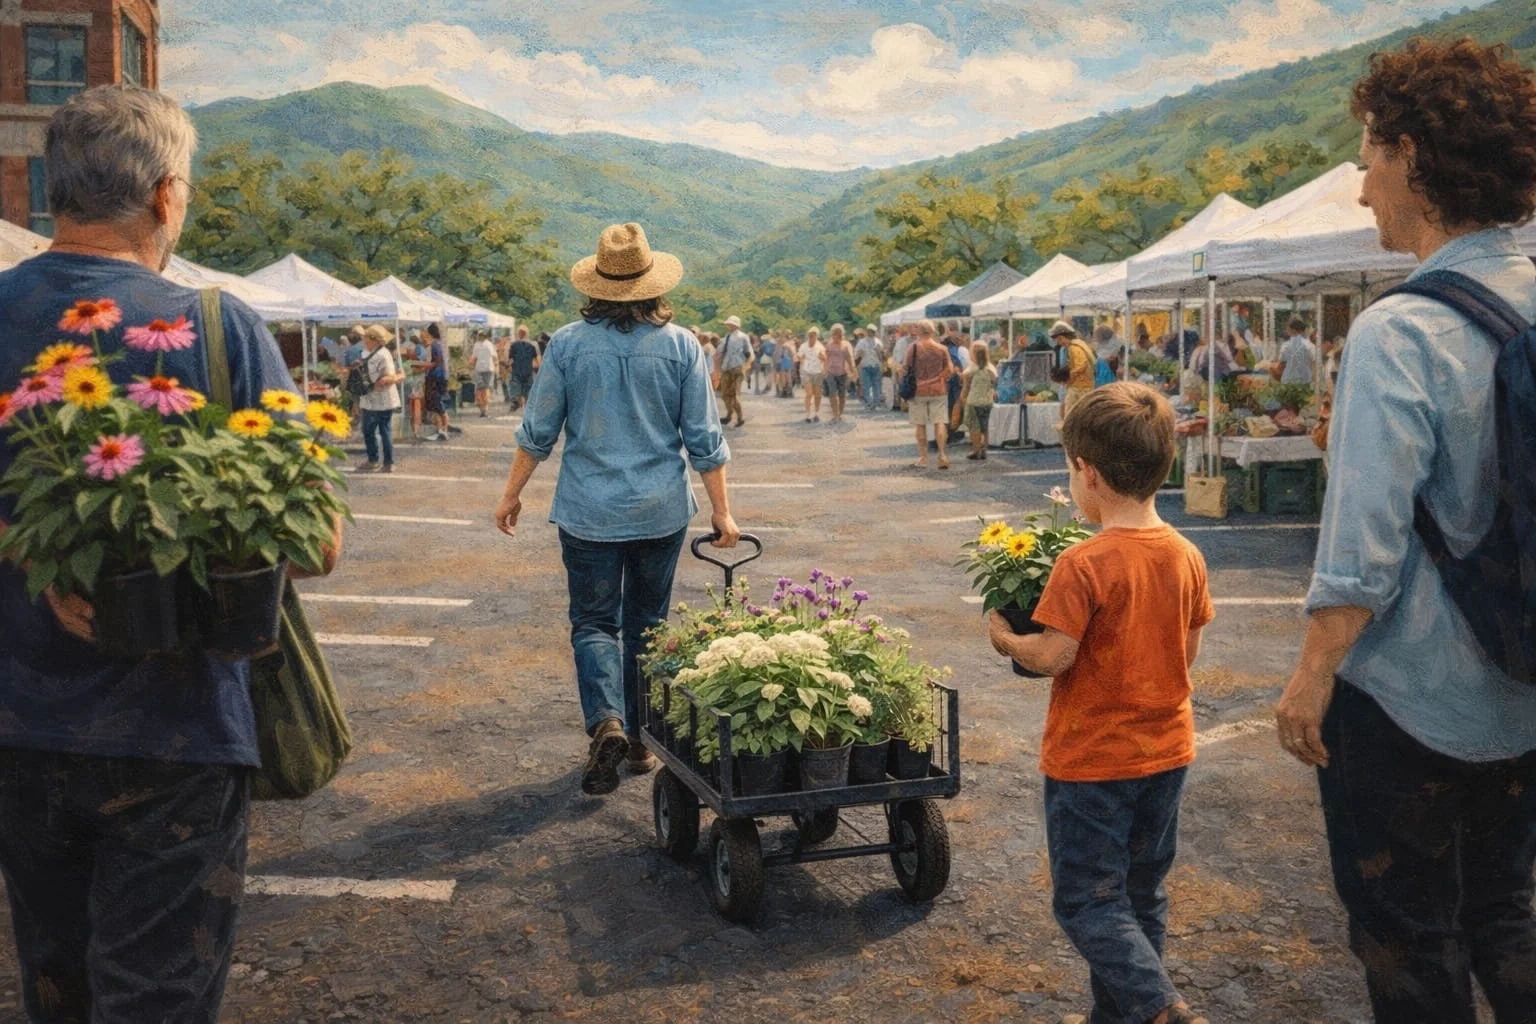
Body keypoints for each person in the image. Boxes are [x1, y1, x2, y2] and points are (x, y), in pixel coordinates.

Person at [0, 84, 342, 1024]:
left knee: (54, 983)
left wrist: (38, 554)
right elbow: (313, 545)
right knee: (157, 995)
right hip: (177, 729)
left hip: (16, 720)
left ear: (47, 187)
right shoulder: (219, 325)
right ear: (166, 196)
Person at [1272, 37, 1536, 1024]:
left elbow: (1361, 555)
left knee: (1408, 947)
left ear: (1414, 156)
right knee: (1506, 919)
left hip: (1409, 708)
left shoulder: (1400, 330)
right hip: (1523, 691)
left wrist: (1307, 682)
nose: (1359, 189)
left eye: (1368, 157)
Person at [987, 383, 1213, 1024]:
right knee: (1139, 897)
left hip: (1092, 760)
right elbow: (1187, 653)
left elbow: (1052, 655)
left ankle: (1160, 1008)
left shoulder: (1084, 563)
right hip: (1167, 753)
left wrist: (1004, 635)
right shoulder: (1186, 554)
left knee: (1087, 902)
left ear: (1086, 473)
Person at [495, 223, 739, 796]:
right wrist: (723, 512)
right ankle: (637, 741)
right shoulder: (682, 345)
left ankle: (606, 718)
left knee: (594, 622)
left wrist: (511, 493)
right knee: (649, 626)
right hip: (659, 510)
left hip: (588, 511)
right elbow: (704, 438)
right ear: (652, 285)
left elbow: (538, 432)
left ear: (597, 285)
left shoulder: (568, 344)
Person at [903, 320, 954, 470]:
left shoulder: (913, 348)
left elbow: (906, 369)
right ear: (933, 332)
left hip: (918, 390)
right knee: (939, 422)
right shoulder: (942, 348)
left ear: (919, 332)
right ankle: (942, 455)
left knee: (920, 425)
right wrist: (938, 378)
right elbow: (949, 370)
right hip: (938, 390)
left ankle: (924, 458)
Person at [358, 325, 405, 472]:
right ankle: (381, 461)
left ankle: (384, 462)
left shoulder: (382, 355)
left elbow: (388, 378)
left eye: (366, 338)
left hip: (381, 399)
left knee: (379, 430)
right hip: (370, 399)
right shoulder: (368, 353)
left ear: (375, 340)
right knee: (373, 430)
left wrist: (397, 376)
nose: (364, 341)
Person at [1050, 321, 1096, 419]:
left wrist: (1069, 377)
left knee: (1070, 416)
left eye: (1057, 340)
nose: (1058, 343)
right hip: (1082, 386)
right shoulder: (1077, 345)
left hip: (1079, 388)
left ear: (1061, 337)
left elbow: (1081, 365)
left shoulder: (1074, 348)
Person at [960, 341, 998, 461]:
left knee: (974, 427)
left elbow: (966, 387)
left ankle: (976, 450)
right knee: (984, 427)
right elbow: (993, 385)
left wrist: (962, 398)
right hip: (987, 401)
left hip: (973, 401)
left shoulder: (970, 370)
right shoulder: (991, 369)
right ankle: (984, 449)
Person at [716, 315, 752, 428]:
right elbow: (720, 351)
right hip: (731, 367)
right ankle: (730, 414)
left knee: (733, 394)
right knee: (727, 393)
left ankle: (738, 416)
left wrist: (745, 366)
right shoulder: (729, 336)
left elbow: (749, 353)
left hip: (735, 367)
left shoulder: (739, 337)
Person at [421, 322, 451, 441]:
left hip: (435, 378)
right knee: (436, 406)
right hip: (439, 377)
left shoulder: (434, 345)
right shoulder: (438, 344)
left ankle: (443, 430)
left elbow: (435, 362)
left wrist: (423, 365)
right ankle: (441, 430)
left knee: (438, 406)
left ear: (429, 333)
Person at [823, 324, 854, 423]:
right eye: (835, 334)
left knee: (842, 395)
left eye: (839, 334)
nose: (837, 336)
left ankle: (839, 414)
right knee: (832, 394)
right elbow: (825, 359)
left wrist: (853, 371)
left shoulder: (845, 346)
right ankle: (835, 415)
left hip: (842, 372)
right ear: (832, 335)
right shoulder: (829, 346)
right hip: (831, 372)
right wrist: (824, 371)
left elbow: (849, 359)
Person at [1273, 317, 1317, 385]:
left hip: (1288, 381)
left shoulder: (1285, 346)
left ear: (1293, 330)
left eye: (1287, 328)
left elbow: (1281, 364)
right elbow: (1315, 364)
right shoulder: (1311, 346)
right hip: (1305, 382)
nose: (1286, 330)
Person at [798, 327, 827, 422]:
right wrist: (801, 359)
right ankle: (808, 415)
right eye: (810, 335)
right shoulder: (803, 346)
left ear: (816, 336)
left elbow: (825, 358)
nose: (811, 337)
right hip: (806, 371)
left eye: (813, 335)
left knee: (817, 394)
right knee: (809, 394)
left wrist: (823, 358)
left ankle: (817, 413)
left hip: (817, 372)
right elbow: (799, 357)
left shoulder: (820, 346)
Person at [403, 330, 429, 439]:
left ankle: (415, 430)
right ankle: (416, 430)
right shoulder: (410, 363)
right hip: (414, 389)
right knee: (416, 407)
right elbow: (423, 368)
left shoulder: (405, 363)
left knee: (412, 408)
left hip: (410, 389)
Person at [507, 328, 540, 412]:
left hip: (516, 370)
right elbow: (537, 359)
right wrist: (538, 367)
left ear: (519, 334)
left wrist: (508, 366)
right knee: (528, 389)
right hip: (528, 370)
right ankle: (528, 407)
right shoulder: (533, 345)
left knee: (515, 386)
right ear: (526, 334)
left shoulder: (514, 345)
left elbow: (510, 359)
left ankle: (515, 401)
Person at [855, 325, 885, 410]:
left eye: (872, 331)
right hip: (866, 365)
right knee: (868, 385)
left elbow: (881, 355)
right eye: (870, 331)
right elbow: (857, 354)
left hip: (875, 365)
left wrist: (880, 355)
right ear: (867, 331)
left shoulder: (878, 342)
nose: (871, 333)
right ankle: (870, 402)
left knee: (875, 385)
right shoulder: (862, 342)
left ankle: (874, 402)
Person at [470, 330, 498, 418]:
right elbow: (494, 357)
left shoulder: (476, 345)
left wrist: (470, 366)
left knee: (480, 388)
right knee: (486, 388)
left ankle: (482, 408)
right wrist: (497, 367)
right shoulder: (490, 344)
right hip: (489, 369)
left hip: (479, 369)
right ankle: (485, 409)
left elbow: (474, 358)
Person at [890, 326, 915, 412]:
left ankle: (901, 404)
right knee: (903, 385)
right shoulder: (902, 341)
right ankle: (902, 404)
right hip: (904, 366)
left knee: (902, 385)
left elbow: (899, 358)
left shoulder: (901, 342)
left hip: (903, 366)